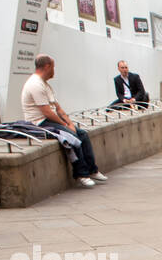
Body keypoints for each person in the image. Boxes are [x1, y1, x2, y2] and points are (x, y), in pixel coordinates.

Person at [21, 55, 105, 188]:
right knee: (72, 137)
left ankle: (92, 170)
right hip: (40, 122)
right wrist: (65, 125)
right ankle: (81, 174)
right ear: (47, 66)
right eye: (53, 67)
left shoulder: (45, 84)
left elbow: (57, 108)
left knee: (82, 134)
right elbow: (47, 112)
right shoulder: (35, 84)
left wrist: (69, 123)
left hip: (50, 119)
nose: (54, 70)